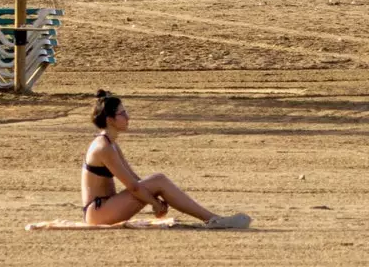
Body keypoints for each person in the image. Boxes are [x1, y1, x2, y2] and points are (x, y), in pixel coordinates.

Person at [82, 90, 251, 229]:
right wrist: (155, 203)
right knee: (158, 180)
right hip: (98, 213)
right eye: (123, 113)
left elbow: (135, 179)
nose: (128, 117)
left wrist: (156, 199)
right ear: (110, 119)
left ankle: (213, 219)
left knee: (158, 180)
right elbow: (132, 186)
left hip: (106, 207)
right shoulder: (103, 147)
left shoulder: (110, 144)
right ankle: (213, 219)